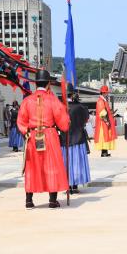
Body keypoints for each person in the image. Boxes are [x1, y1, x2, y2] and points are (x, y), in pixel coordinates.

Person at [17, 70, 70, 209]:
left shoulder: (27, 100)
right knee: (52, 166)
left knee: (31, 167)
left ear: (36, 84)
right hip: (50, 134)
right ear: (48, 84)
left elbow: (21, 121)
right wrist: (67, 120)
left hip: (33, 135)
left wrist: (26, 132)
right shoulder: (53, 100)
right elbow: (63, 123)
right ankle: (52, 200)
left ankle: (29, 200)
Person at [60, 85, 91, 194]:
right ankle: (75, 185)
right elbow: (86, 120)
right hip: (78, 138)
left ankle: (68, 184)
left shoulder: (62, 107)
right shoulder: (81, 107)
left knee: (67, 162)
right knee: (77, 162)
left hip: (66, 139)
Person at [94, 85, 117, 157]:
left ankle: (105, 151)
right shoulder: (101, 101)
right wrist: (106, 121)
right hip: (103, 122)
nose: (107, 94)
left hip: (104, 120)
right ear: (104, 93)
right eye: (106, 92)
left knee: (106, 136)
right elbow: (102, 112)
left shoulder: (103, 100)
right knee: (104, 136)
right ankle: (104, 152)